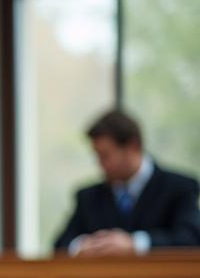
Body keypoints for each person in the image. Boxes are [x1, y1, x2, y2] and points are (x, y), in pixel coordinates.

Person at [54, 109, 200, 256]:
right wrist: (80, 246)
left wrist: (136, 243)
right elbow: (60, 245)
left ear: (133, 147)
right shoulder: (89, 197)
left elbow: (190, 239)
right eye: (97, 156)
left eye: (105, 156)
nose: (100, 165)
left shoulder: (179, 188)